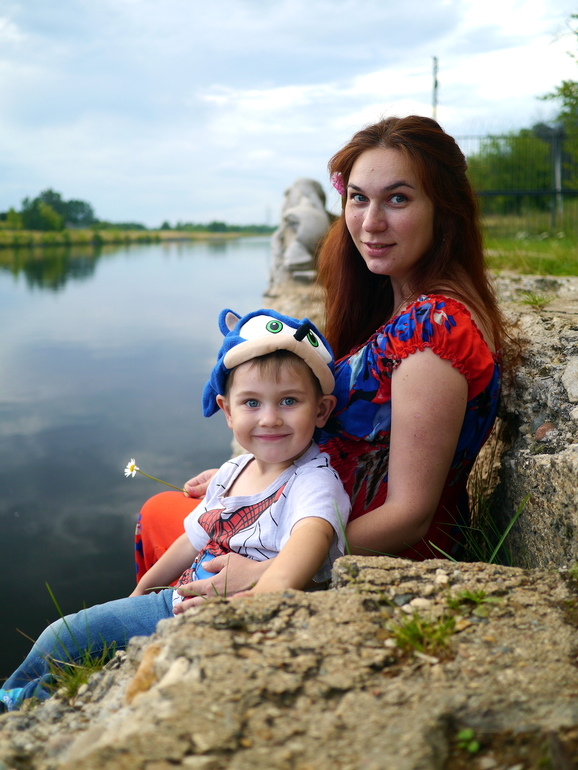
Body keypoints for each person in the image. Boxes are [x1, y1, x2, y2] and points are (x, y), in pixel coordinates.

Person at [137, 115, 506, 611]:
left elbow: (410, 516)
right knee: (171, 512)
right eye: (358, 198)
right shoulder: (400, 308)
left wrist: (272, 568)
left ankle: (142, 639)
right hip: (299, 514)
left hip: (361, 561)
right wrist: (249, 479)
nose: (370, 222)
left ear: (445, 209)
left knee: (156, 518)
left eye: (398, 199)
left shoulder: (433, 330)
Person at [0, 308, 350, 711]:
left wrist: (253, 603)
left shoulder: (313, 482)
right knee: (62, 637)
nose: (270, 419)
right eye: (252, 402)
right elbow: (191, 540)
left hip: (236, 615)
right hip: (177, 602)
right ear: (228, 411)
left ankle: (25, 705)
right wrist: (142, 590)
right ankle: (20, 702)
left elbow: (309, 544)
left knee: (70, 640)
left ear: (321, 410)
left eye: (289, 401)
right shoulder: (234, 471)